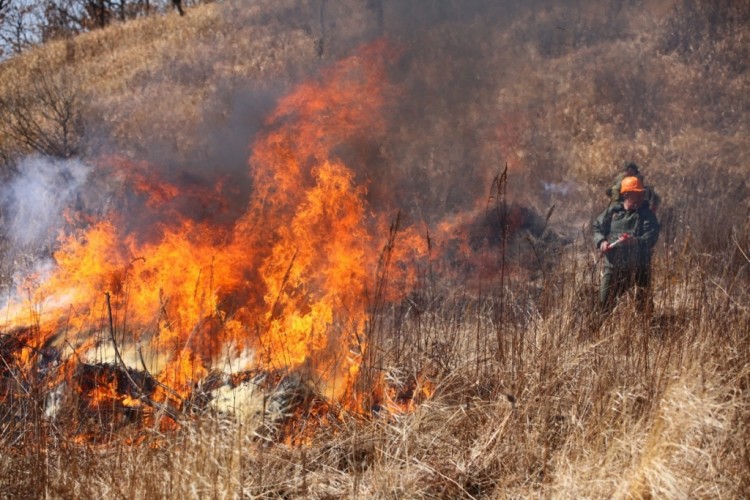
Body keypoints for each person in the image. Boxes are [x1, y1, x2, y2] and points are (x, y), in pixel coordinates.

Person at [593, 176, 660, 313]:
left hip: (639, 268)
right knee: (602, 306)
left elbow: (651, 237)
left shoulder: (647, 215)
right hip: (613, 267)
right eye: (637, 194)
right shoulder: (613, 212)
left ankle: (645, 333)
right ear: (626, 195)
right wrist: (601, 241)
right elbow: (597, 228)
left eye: (642, 193)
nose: (641, 197)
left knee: (644, 310)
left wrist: (634, 241)